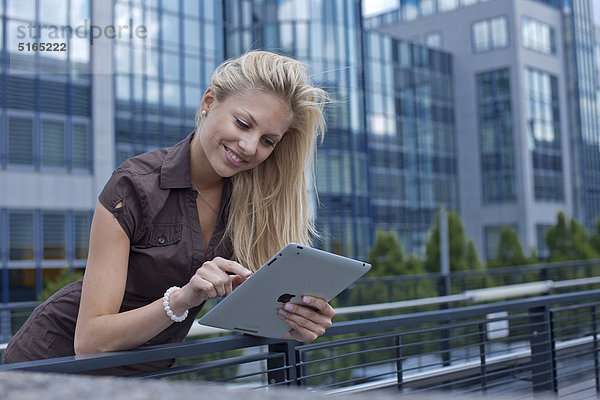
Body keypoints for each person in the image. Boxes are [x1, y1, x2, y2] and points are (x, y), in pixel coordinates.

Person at [2, 51, 334, 374]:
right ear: (208, 102)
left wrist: (292, 324)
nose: (249, 146)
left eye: (267, 141)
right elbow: (89, 342)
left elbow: (249, 320)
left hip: (142, 379)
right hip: (46, 369)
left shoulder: (252, 205)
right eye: (243, 123)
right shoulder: (134, 185)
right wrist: (182, 299)